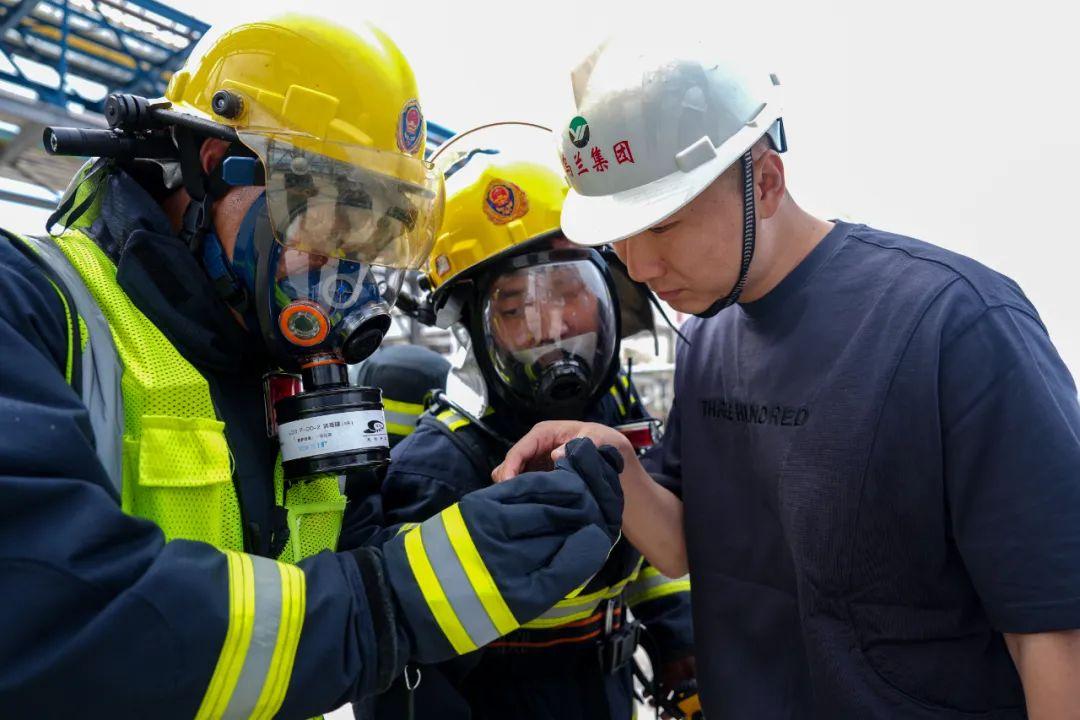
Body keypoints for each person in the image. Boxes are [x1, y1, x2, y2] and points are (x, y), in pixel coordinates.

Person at [0, 16, 626, 718]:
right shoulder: (28, 306)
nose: (347, 265)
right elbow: (52, 619)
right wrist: (388, 605)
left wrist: (484, 531)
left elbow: (348, 554)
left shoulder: (286, 371)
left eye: (378, 229)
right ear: (213, 166)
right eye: (326, 213)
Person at [494, 34, 1080, 718]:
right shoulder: (710, 339)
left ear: (765, 182)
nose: (639, 267)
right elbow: (690, 548)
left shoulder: (952, 324)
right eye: (620, 238)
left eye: (665, 227)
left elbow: (1054, 627)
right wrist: (617, 463)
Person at [367, 124, 696, 720]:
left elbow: (652, 554)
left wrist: (683, 652)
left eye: (569, 291)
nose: (554, 329)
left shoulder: (618, 416)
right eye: (516, 308)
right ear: (472, 326)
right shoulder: (441, 472)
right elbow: (413, 678)